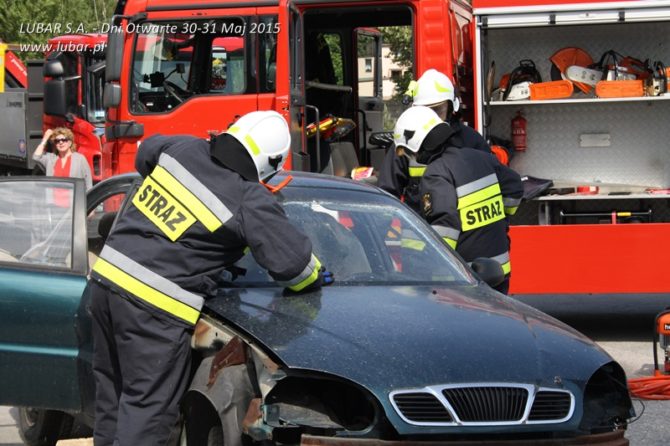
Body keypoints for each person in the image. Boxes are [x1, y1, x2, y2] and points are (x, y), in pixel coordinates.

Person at [88, 110, 332, 446]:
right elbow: (296, 268)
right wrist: (317, 274)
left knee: (112, 398)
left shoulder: (182, 149)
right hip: (153, 309)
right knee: (146, 411)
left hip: (104, 285)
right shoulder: (248, 197)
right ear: (272, 163)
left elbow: (145, 154)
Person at [393, 106, 523, 294]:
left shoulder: (436, 173)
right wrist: (499, 216)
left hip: (465, 279)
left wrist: (430, 267)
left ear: (416, 145)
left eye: (406, 151)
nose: (408, 157)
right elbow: (515, 188)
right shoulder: (481, 157)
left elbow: (445, 225)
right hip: (499, 271)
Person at [378, 69, 489, 213]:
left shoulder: (472, 141)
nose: (432, 118)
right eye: (426, 111)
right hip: (420, 225)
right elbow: (386, 194)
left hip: (463, 225)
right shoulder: (406, 143)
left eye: (437, 110)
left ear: (451, 108)